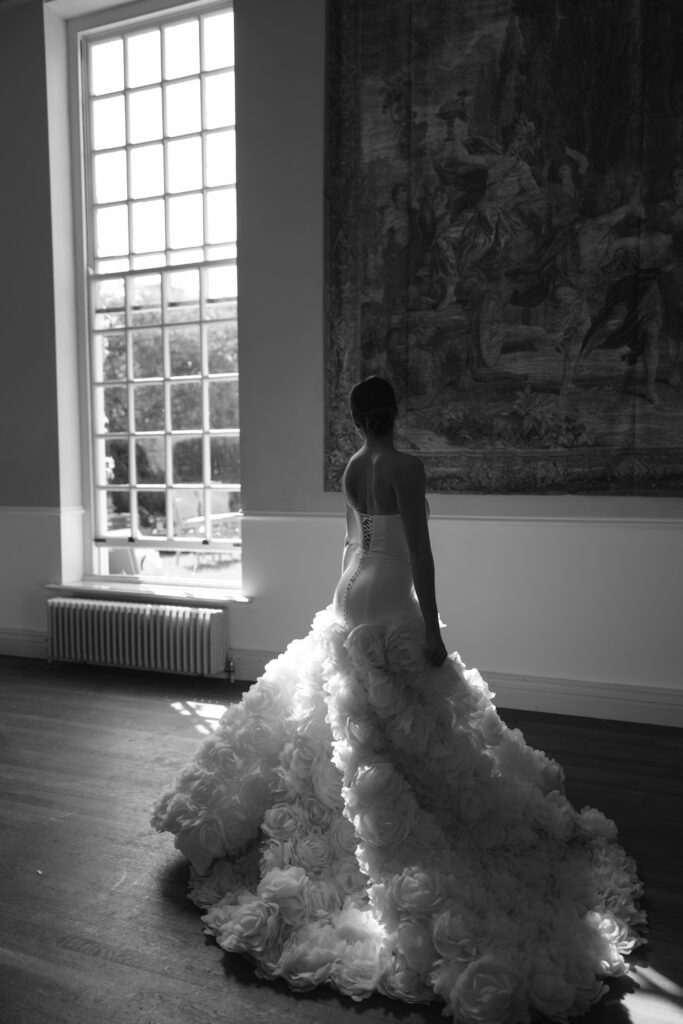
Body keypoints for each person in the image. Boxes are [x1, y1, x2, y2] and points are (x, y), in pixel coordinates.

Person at [151, 376, 645, 1022]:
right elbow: (418, 551)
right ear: (396, 411)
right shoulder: (404, 466)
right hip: (385, 595)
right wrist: (431, 628)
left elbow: (349, 541)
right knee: (405, 706)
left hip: (346, 592)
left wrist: (352, 598)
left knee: (350, 709)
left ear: (357, 418)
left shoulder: (353, 466)